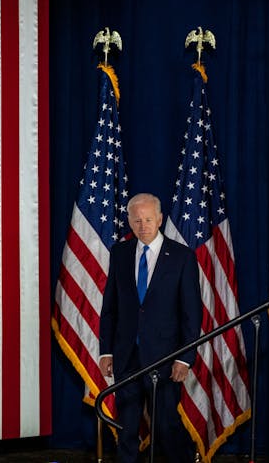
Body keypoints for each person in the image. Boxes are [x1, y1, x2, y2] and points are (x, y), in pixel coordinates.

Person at [98, 193, 201, 463]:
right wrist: (105, 351)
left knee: (166, 424)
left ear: (159, 219)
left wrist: (184, 358)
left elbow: (191, 313)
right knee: (127, 427)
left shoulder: (182, 257)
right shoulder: (120, 253)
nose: (143, 225)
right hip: (126, 356)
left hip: (165, 359)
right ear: (130, 222)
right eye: (137, 220)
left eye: (148, 219)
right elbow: (110, 307)